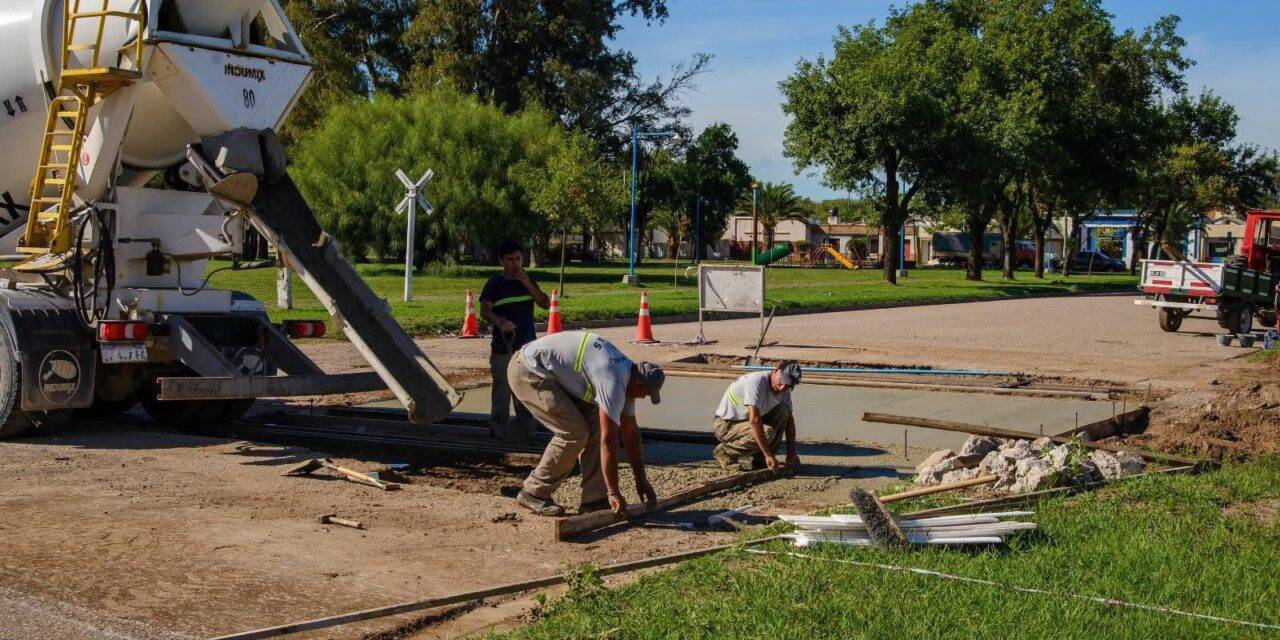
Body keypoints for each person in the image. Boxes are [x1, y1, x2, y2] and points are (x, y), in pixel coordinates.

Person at [508, 330, 665, 516]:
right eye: (645, 395)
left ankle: (594, 500)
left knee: (596, 426)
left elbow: (630, 434)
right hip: (529, 370)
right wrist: (613, 491)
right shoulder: (613, 381)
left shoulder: (629, 377)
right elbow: (609, 442)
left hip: (554, 374)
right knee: (574, 433)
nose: (643, 398)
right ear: (639, 386)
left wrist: (641, 479)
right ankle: (533, 492)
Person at [479, 240, 549, 441]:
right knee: (502, 391)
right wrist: (500, 321)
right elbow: (485, 310)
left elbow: (544, 303)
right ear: (501, 261)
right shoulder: (494, 284)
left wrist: (528, 285)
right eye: (510, 259)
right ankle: (497, 433)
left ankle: (527, 432)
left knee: (526, 390)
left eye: (518, 259)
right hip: (503, 348)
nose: (516, 264)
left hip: (527, 348)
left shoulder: (527, 280)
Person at [712, 361, 803, 471]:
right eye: (782, 381)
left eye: (788, 385)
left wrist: (791, 453)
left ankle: (761, 460)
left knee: (783, 411)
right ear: (775, 370)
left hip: (744, 422)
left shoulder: (784, 391)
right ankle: (725, 452)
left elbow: (790, 422)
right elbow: (754, 420)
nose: (782, 388)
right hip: (726, 425)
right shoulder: (756, 382)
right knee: (767, 432)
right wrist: (768, 454)